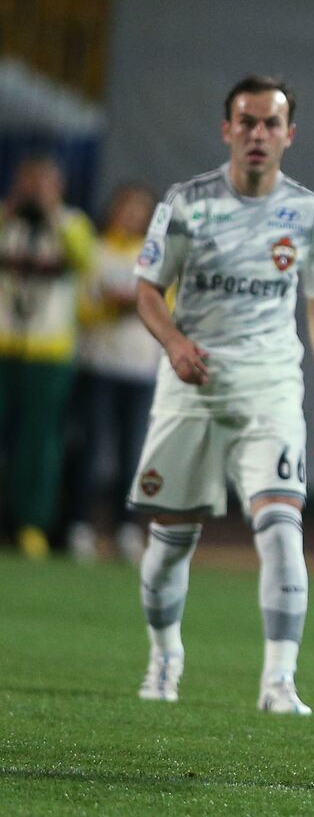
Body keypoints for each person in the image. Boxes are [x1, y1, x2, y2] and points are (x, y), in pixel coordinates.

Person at [127, 76, 314, 716]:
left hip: (271, 385)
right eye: (246, 122)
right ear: (227, 130)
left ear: (288, 136)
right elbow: (147, 289)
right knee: (170, 543)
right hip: (191, 384)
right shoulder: (187, 202)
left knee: (281, 530)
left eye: (269, 124)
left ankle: (280, 679)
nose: (257, 134)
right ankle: (165, 653)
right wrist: (172, 343)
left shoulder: (309, 213)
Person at [0, 154, 96, 558]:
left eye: (46, 182)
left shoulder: (72, 223)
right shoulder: (6, 221)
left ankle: (32, 524)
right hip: (4, 344)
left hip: (49, 351)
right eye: (30, 181)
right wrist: (12, 206)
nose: (38, 189)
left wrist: (52, 211)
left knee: (39, 445)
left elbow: (83, 259)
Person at [67, 182, 162, 563]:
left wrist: (136, 305)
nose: (131, 215)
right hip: (99, 364)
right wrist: (111, 306)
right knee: (90, 448)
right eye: (125, 207)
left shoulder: (154, 257)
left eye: (139, 209)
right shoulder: (96, 249)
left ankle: (126, 527)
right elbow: (80, 306)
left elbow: (164, 307)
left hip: (139, 369)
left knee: (132, 452)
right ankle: (80, 525)